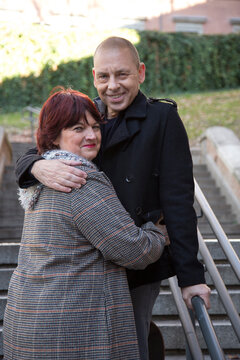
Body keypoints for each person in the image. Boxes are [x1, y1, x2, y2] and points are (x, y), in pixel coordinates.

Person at [15, 37, 211, 360]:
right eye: (104, 77)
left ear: (141, 73)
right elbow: (39, 146)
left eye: (122, 75)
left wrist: (191, 277)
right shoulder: (89, 114)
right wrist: (37, 165)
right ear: (94, 77)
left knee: (127, 344)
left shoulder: (162, 119)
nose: (113, 85)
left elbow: (178, 201)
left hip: (138, 261)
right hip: (88, 264)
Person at [3, 87, 168, 360]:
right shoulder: (80, 181)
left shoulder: (43, 178)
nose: (91, 135)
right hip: (72, 327)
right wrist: (157, 232)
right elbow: (133, 250)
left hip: (29, 319)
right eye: (78, 128)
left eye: (95, 126)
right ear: (54, 136)